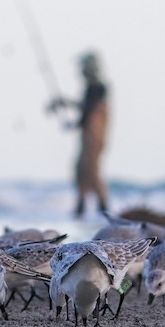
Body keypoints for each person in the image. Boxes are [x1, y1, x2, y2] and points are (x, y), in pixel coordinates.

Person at [50, 51, 110, 218]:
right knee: (81, 170)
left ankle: (103, 208)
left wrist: (69, 113)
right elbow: (85, 110)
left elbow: (90, 111)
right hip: (88, 137)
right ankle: (82, 207)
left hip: (94, 137)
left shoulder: (98, 87)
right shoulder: (92, 88)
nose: (81, 70)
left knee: (92, 170)